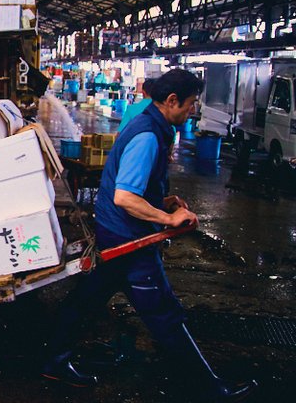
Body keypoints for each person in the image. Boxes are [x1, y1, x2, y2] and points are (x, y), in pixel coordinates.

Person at [41, 69, 257, 402]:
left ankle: (54, 361)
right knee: (164, 315)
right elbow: (125, 197)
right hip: (128, 240)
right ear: (172, 101)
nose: (192, 111)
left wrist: (160, 201)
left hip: (115, 233)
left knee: (86, 300)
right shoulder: (148, 135)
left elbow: (133, 187)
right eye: (190, 104)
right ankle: (210, 389)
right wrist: (168, 217)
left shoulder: (148, 121)